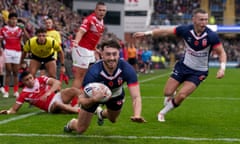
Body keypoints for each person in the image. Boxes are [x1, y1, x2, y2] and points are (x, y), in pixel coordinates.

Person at [133, 8, 227, 122]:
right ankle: (171, 95)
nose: (204, 22)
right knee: (167, 92)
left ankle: (162, 113)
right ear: (194, 20)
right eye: (201, 20)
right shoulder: (186, 30)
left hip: (199, 72)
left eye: (206, 20)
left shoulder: (211, 36)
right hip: (183, 66)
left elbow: (222, 52)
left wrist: (222, 68)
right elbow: (165, 31)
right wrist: (146, 33)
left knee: (182, 96)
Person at [64, 39, 146, 134]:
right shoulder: (93, 72)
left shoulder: (127, 69)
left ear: (119, 54)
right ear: (102, 55)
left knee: (113, 119)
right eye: (108, 54)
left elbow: (136, 97)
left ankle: (100, 113)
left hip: (116, 95)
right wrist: (94, 99)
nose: (111, 58)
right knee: (80, 129)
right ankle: (71, 124)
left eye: (114, 54)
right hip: (94, 96)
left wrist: (137, 115)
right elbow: (81, 100)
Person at [0, 71, 107, 114]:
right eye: (26, 80)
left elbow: (57, 82)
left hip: (57, 95)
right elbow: (14, 109)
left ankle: (85, 105)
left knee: (74, 90)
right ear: (22, 82)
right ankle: (83, 111)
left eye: (30, 78)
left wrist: (49, 92)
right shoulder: (24, 94)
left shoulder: (41, 79)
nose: (30, 81)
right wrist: (7, 112)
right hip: (51, 106)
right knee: (57, 104)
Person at [71, 1, 106, 89]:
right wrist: (76, 41)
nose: (102, 12)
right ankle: (73, 99)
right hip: (82, 49)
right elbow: (81, 31)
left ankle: (82, 95)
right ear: (95, 10)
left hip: (90, 51)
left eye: (104, 10)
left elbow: (95, 37)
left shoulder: (102, 22)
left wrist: (95, 49)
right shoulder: (90, 19)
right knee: (80, 76)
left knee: (90, 74)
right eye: (100, 10)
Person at [0, 12, 29, 98]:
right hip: (7, 51)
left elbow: (28, 38)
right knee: (8, 71)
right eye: (12, 19)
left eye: (15, 19)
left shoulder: (20, 29)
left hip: (17, 51)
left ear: (16, 20)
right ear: (8, 20)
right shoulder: (3, 29)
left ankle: (16, 91)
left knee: (16, 72)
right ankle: (6, 91)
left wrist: (24, 29)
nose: (13, 21)